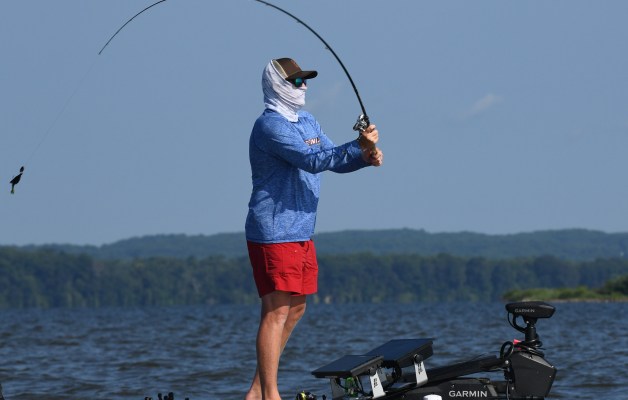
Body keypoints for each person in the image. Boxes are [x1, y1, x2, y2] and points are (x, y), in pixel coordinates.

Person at [244, 58, 383, 400]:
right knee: (276, 310)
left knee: (296, 308)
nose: (303, 86)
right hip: (275, 231)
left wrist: (363, 156)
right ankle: (270, 394)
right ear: (277, 85)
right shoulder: (270, 126)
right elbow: (312, 161)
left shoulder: (307, 121)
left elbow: (332, 157)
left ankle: (257, 391)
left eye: (305, 80)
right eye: (296, 81)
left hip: (302, 231)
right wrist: (358, 144)